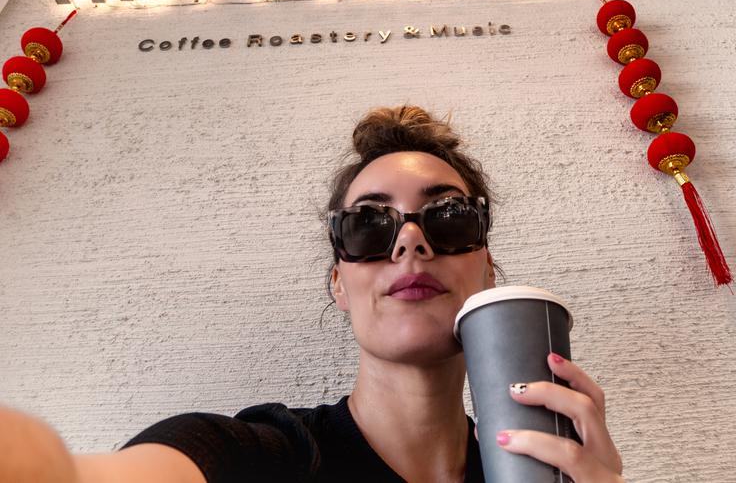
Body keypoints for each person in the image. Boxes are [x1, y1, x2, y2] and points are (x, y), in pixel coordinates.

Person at [0, 105, 624, 483]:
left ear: (488, 273)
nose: (411, 243)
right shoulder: (260, 457)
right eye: (369, 225)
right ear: (339, 286)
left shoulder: (547, 470)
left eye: (449, 218)